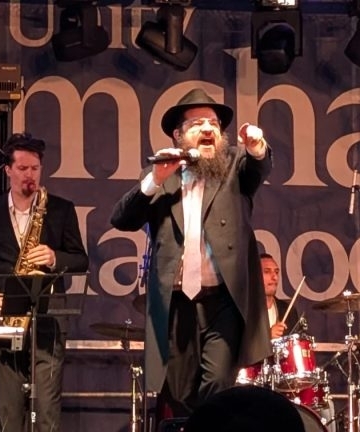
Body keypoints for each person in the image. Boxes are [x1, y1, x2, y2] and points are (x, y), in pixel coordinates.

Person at [110, 88, 272, 416]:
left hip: (223, 301)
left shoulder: (235, 167)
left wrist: (257, 147)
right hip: (177, 302)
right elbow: (122, 219)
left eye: (214, 123)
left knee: (217, 385)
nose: (208, 128)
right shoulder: (162, 176)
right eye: (197, 123)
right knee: (180, 393)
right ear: (178, 135)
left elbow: (258, 168)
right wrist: (155, 179)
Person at [0, 132, 89, 432]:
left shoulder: (61, 209)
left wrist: (54, 257)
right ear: (8, 170)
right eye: (22, 168)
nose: (29, 175)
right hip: (5, 318)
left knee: (47, 410)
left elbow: (81, 260)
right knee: (8, 411)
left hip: (49, 319)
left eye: (35, 168)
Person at [260, 253, 299, 339]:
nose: (275, 277)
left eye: (276, 272)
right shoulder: (244, 311)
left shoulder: (289, 311)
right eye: (267, 272)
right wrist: (267, 336)